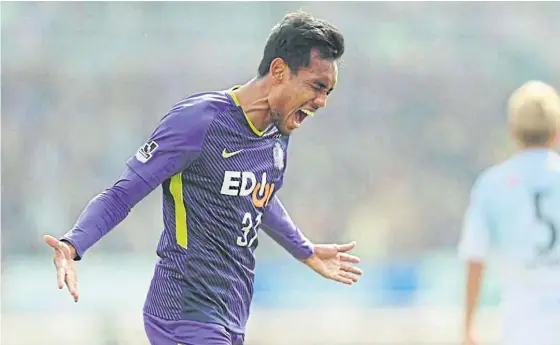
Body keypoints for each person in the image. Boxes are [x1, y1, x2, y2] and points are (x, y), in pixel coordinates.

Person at [44, 11, 363, 345]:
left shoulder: (278, 133)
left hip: (229, 316)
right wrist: (73, 244)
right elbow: (124, 192)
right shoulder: (199, 121)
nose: (322, 102)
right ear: (280, 71)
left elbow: (259, 197)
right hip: (183, 310)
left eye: (328, 91)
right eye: (317, 86)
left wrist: (305, 250)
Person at [458, 80, 560, 345]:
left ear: (513, 131)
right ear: (556, 132)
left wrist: (469, 326)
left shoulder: (492, 184)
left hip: (521, 325)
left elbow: (475, 256)